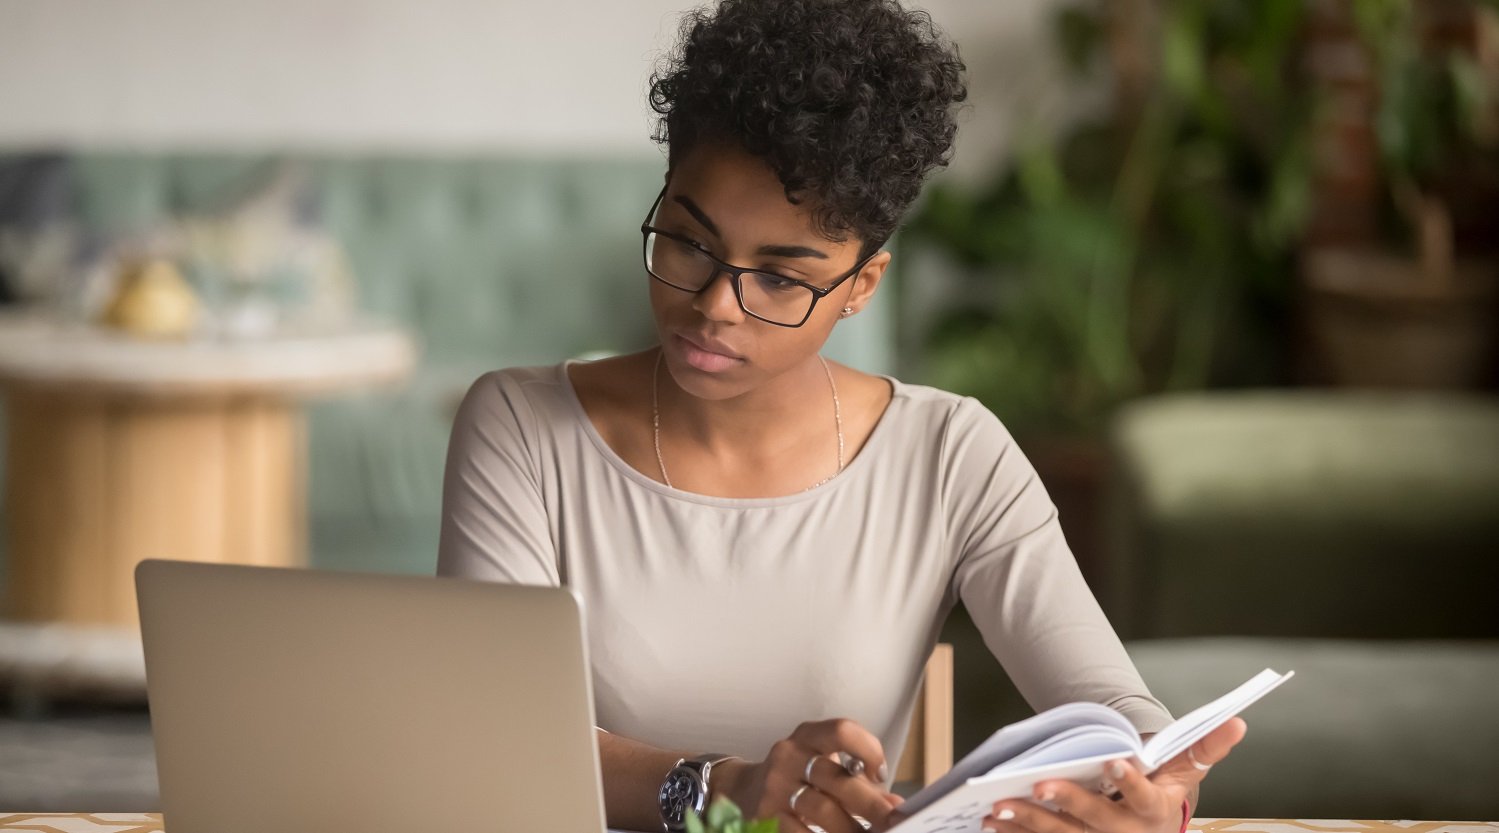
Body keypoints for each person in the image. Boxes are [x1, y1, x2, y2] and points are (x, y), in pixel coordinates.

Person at [436, 1, 1246, 831]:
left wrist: (1155, 793)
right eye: (688, 243)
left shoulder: (948, 452)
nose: (716, 304)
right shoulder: (522, 427)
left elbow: (1113, 708)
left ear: (861, 284)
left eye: (781, 278)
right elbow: (492, 736)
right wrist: (724, 790)